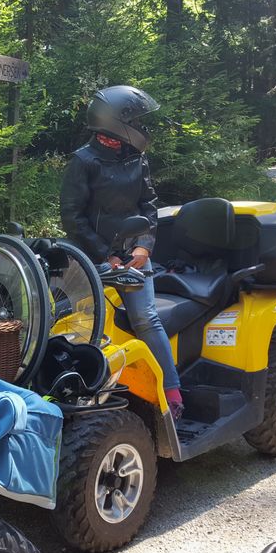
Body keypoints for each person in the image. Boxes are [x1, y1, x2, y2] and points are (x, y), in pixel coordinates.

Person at [60, 84, 184, 419]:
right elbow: (72, 217)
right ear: (115, 121)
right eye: (135, 120)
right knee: (85, 322)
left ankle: (171, 390)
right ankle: (81, 392)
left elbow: (149, 204)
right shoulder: (84, 161)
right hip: (94, 256)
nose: (141, 127)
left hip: (134, 253)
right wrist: (106, 256)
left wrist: (144, 246)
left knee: (145, 317)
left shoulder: (136, 156)